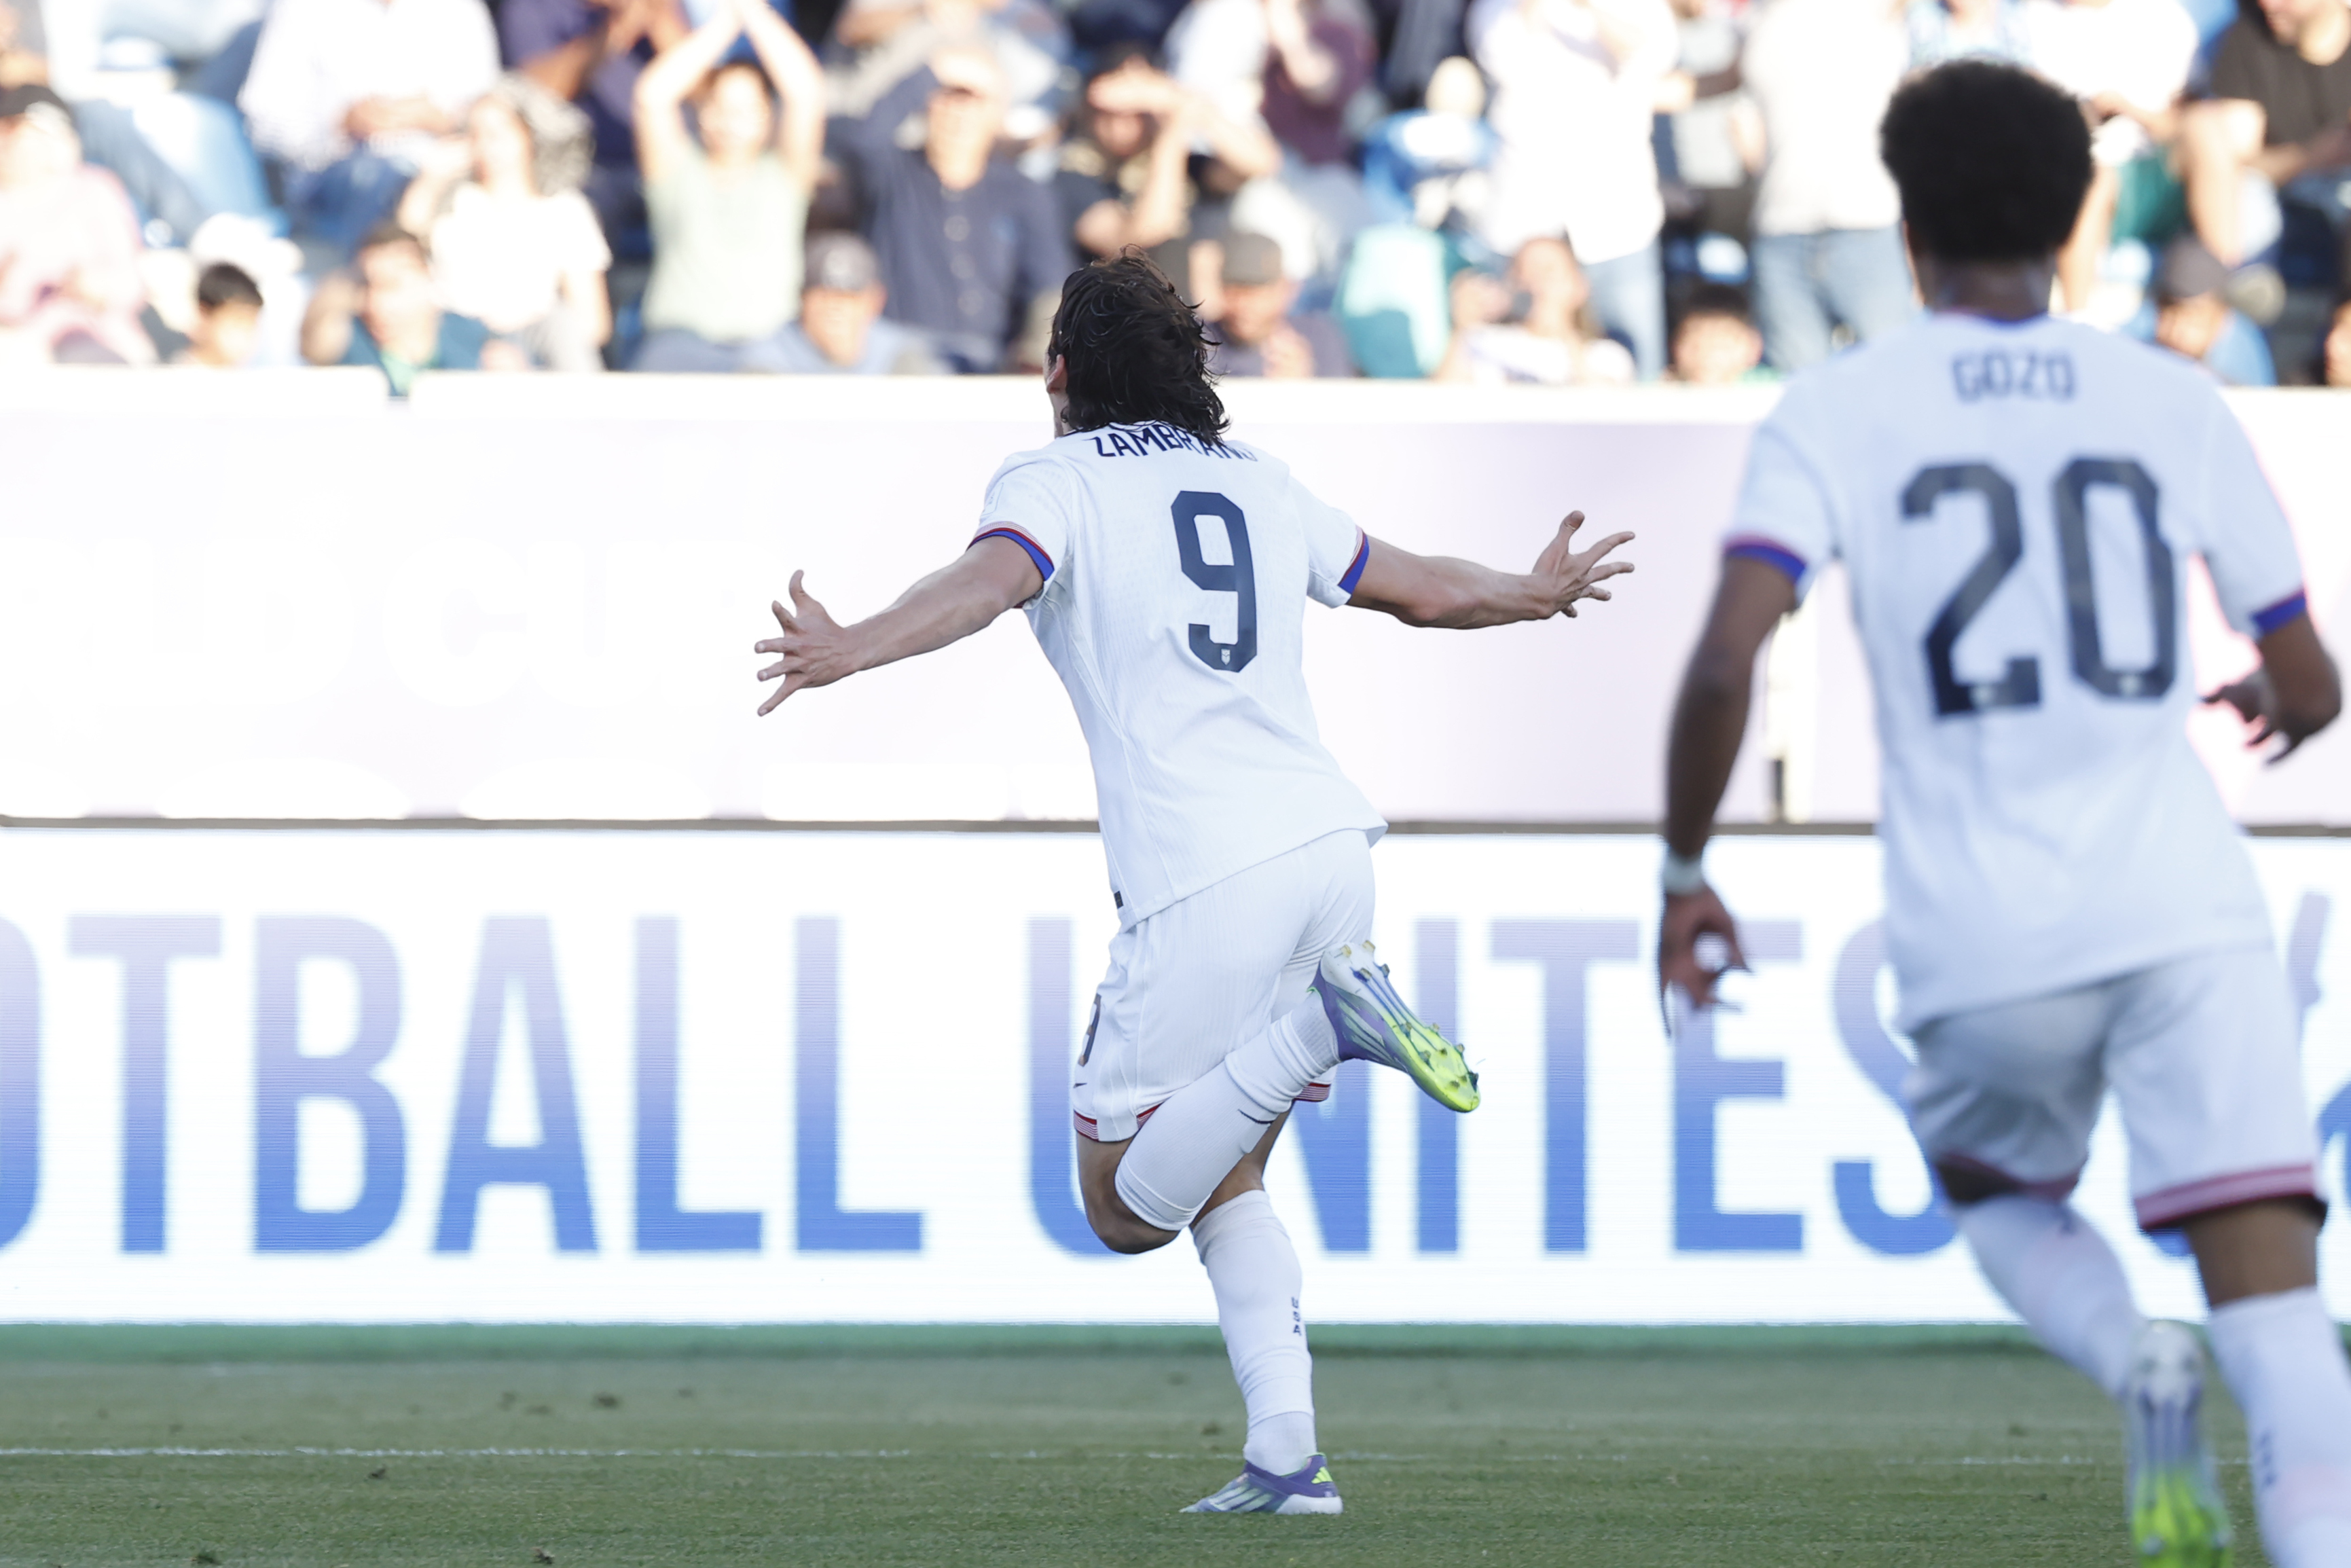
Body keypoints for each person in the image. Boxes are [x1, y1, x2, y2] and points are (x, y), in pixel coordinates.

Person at [749, 249, 1633, 1515]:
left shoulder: (1049, 477)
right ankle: (1288, 1456)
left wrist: (853, 644)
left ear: (1058, 375)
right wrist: (1534, 593)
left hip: (1204, 872)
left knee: (1119, 1205)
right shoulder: (1256, 479)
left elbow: (988, 581)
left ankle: (1337, 1020)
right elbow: (1424, 590)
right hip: (1329, 851)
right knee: (1226, 1176)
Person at [1660, 61, 2351, 1568]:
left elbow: (1725, 659)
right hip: (2182, 903)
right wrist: (2281, 705)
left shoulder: (1837, 407)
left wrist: (1686, 869)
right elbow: (2312, 675)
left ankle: (2134, 1358)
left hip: (1982, 923)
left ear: (1907, 235)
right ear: (2074, 221)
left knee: (1992, 1186)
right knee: (2279, 1297)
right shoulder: (2172, 395)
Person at [1469, 0, 1679, 380]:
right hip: (1521, 226)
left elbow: (1648, 55)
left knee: (1638, 375)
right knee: (1501, 371)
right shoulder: (1498, 7)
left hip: (1616, 224)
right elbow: (1504, 57)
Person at [828, 48, 1072, 372]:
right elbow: (861, 137)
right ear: (927, 106)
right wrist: (932, 70)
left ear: (995, 114)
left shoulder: (1023, 191)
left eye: (972, 102)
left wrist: (1031, 354)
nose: (958, 115)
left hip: (990, 354)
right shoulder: (894, 173)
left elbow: (1049, 282)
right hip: (898, 350)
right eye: (947, 99)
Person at [237, 0, 500, 257]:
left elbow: (493, 114)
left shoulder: (462, 10)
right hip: (333, 181)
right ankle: (368, 281)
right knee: (376, 176)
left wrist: (440, 118)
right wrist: (341, 124)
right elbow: (262, 122)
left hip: (440, 173)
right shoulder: (302, 7)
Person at [1737, 0, 1916, 371]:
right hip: (1780, 232)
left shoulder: (1878, 9)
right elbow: (1721, 80)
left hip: (1865, 227)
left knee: (1894, 381)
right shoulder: (1759, 18)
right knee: (1801, 393)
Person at [397, 76, 613, 371]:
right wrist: (428, 182)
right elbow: (399, 255)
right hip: (455, 340)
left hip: (536, 346)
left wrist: (528, 356)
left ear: (529, 135)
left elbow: (592, 323)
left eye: (498, 133)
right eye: (475, 134)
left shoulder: (565, 210)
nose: (486, 146)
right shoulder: (450, 201)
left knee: (561, 326)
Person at [2178, 0, 2351, 279]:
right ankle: (2234, 287)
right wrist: (2309, 157)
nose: (2270, 5)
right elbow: (2242, 160)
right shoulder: (2249, 36)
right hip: (2274, 189)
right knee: (2205, 129)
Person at [1055, 47, 1277, 263]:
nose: (1118, 128)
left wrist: (1174, 99)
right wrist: (1172, 134)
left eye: (1135, 114)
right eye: (1107, 115)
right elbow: (1143, 235)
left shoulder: (1189, 165)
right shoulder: (1073, 176)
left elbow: (1259, 164)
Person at [499, 0, 690, 247]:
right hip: (587, 169)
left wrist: (659, 20)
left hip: (670, 161)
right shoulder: (531, 7)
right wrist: (617, 30)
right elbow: (537, 94)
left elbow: (701, 89)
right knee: (580, 214)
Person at [0, 83, 151, 365]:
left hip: (92, 338)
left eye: (17, 130)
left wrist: (97, 286)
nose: (7, 140)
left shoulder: (94, 190)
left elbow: (131, 284)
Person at [302, 221, 500, 392]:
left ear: (427, 277)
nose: (374, 302)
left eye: (390, 285)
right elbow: (315, 346)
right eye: (366, 287)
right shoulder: (350, 342)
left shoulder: (472, 338)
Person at [1434, 234, 1638, 384]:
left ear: (1579, 286)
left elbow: (1605, 413)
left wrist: (1561, 331)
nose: (1537, 282)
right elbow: (1443, 404)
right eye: (1526, 271)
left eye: (1549, 271)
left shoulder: (1607, 356)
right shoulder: (1482, 342)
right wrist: (1462, 327)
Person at [765, 230, 946, 372]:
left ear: (875, 301)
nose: (835, 308)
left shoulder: (902, 357)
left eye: (848, 296)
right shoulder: (766, 363)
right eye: (824, 296)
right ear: (802, 299)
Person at [1207, 230, 1354, 376]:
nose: (1244, 305)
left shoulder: (1321, 337)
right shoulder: (1198, 341)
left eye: (1257, 294)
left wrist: (1304, 385)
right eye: (1234, 293)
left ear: (1287, 289)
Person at [2143, 231, 2276, 383]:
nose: (2177, 332)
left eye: (2193, 320)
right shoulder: (2139, 344)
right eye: (2169, 314)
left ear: (2221, 317)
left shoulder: (2240, 351)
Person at [1666, 281, 1768, 382]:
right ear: (1674, 344)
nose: (1707, 357)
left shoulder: (1772, 389)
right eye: (1695, 347)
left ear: (1753, 346)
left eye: (1721, 346)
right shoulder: (1661, 391)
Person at [179, 259, 264, 365]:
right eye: (238, 323)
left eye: (251, 325)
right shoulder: (173, 376)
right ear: (204, 315)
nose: (245, 336)